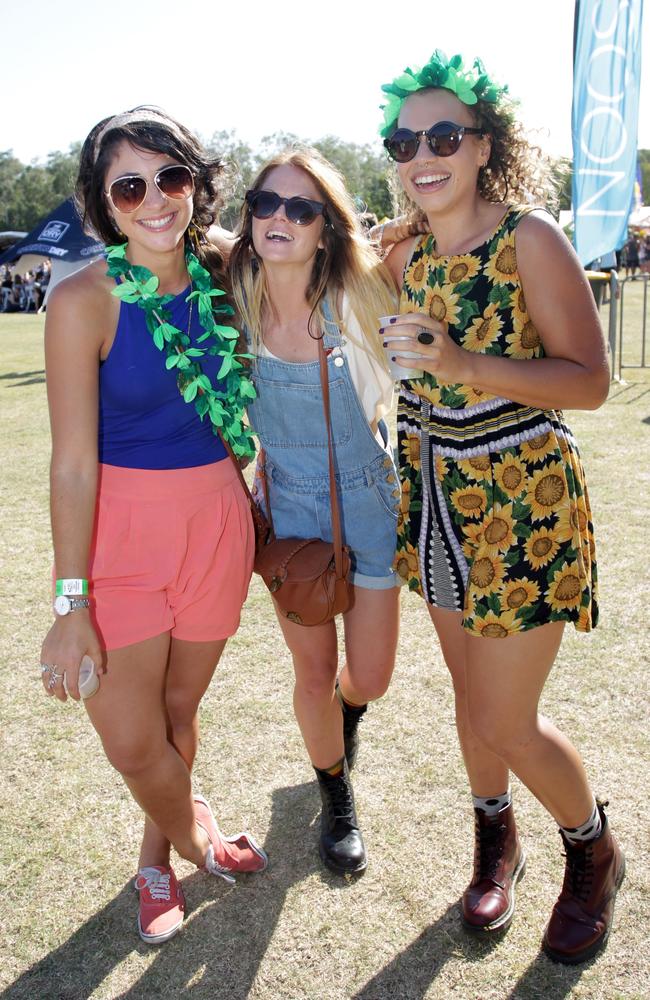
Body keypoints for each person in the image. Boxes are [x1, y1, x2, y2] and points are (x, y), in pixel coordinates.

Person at [377, 51, 624, 964]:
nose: (422, 153)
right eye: (404, 141)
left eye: (445, 136)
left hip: (522, 503)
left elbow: (591, 381)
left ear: (484, 145)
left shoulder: (531, 238)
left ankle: (592, 851)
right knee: (471, 703)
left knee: (506, 717)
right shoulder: (399, 250)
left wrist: (465, 364)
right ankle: (496, 844)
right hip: (434, 498)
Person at [39, 107, 268, 946]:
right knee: (136, 744)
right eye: (128, 186)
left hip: (218, 522)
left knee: (178, 708)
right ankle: (192, 834)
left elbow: (319, 253)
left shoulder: (224, 274)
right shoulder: (82, 300)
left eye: (170, 177)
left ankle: (154, 864)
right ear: (106, 208)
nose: (154, 200)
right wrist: (71, 604)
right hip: (121, 539)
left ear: (196, 182)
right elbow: (70, 463)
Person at [229, 148, 401, 875]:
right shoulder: (230, 297)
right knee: (310, 671)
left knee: (371, 675)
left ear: (325, 229)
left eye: (302, 209)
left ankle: (346, 713)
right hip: (291, 517)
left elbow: (415, 241)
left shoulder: (356, 295)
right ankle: (335, 794)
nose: (280, 219)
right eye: (266, 203)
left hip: (368, 504)